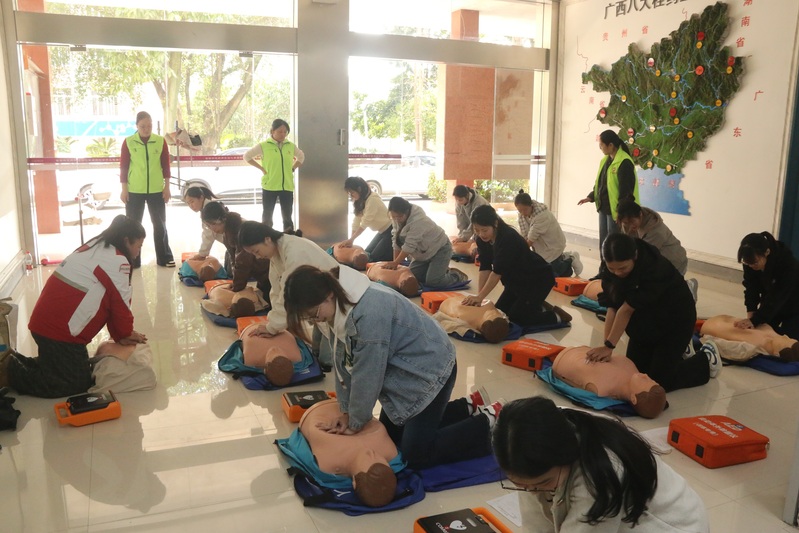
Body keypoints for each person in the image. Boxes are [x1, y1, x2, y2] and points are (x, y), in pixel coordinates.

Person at [283, 265, 500, 469]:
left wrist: (355, 421)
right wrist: (346, 410)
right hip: (405, 369)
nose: (315, 321)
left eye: (313, 314)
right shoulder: (339, 304)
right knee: (391, 438)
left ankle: (489, 420)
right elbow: (343, 361)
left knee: (415, 455)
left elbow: (368, 373)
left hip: (431, 370)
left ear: (328, 296)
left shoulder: (368, 312)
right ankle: (468, 406)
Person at [493, 396, 709, 533]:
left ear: (566, 456)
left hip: (671, 526)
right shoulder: (528, 444)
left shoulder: (600, 473)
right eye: (520, 485)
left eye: (543, 483)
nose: (531, 491)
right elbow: (535, 525)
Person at [0, 216, 148, 398]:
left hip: (46, 324)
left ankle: (11, 361)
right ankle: (8, 373)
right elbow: (120, 306)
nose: (138, 253)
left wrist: (120, 334)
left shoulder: (94, 247)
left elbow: (111, 304)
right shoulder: (118, 262)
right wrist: (124, 333)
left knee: (63, 366)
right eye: (138, 246)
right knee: (76, 383)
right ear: (126, 240)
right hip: (60, 333)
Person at [587, 233, 720, 392]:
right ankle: (677, 353)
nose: (617, 273)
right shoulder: (610, 267)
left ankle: (705, 359)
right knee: (636, 375)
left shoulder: (655, 267)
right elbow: (612, 307)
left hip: (675, 320)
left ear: (635, 256)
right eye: (612, 269)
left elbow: (626, 310)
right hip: (644, 319)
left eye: (622, 268)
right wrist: (606, 347)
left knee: (658, 382)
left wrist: (609, 346)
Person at [464, 205, 570, 328]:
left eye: (484, 230)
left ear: (495, 224)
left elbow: (496, 273)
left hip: (537, 280)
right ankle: (535, 306)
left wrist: (480, 297)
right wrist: (479, 297)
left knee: (517, 319)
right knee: (501, 313)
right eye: (477, 230)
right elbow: (485, 267)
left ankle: (555, 315)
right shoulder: (482, 240)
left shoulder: (508, 238)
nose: (481, 234)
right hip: (515, 282)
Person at [238, 220, 340, 337]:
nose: (257, 257)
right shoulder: (276, 254)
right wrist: (273, 322)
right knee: (321, 344)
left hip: (332, 303)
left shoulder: (294, 252)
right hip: (320, 306)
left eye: (256, 251)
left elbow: (287, 295)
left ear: (267, 239)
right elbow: (276, 291)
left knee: (334, 343)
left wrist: (273, 327)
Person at [299, 398, 400, 507]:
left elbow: (315, 429)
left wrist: (351, 427)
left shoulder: (329, 462)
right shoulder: (389, 451)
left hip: (320, 408)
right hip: (346, 403)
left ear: (354, 483)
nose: (371, 453)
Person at [119, 111, 175, 268]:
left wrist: (167, 187)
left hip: (156, 190)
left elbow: (166, 166)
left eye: (149, 126)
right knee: (133, 226)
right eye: (142, 126)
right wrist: (124, 189)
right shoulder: (129, 142)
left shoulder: (160, 141)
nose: (146, 129)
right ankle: (132, 259)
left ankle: (164, 257)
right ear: (136, 126)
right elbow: (124, 167)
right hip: (134, 191)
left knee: (160, 224)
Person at [615, 196, 698, 300]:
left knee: (664, 293)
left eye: (632, 221)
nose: (630, 226)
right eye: (626, 223)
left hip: (675, 261)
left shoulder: (656, 230)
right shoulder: (628, 222)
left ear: (640, 215)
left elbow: (644, 257)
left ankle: (689, 286)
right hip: (658, 260)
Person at [551, 346, 667, 418]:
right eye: (651, 379)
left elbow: (568, 377)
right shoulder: (633, 371)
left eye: (645, 382)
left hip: (563, 359)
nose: (645, 375)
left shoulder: (602, 388)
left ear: (633, 398)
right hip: (579, 350)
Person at [384, 196, 467, 289]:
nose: (396, 219)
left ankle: (456, 276)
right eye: (393, 217)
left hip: (440, 249)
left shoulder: (418, 220)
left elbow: (409, 245)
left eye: (399, 216)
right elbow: (396, 239)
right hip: (423, 254)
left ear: (406, 212)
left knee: (434, 281)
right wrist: (395, 263)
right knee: (412, 276)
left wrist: (396, 263)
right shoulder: (397, 219)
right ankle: (439, 271)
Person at [577, 129, 639, 253]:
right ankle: (604, 263)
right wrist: (591, 197)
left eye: (601, 145)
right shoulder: (605, 160)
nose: (600, 148)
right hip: (604, 207)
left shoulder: (624, 162)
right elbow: (601, 184)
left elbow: (626, 191)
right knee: (604, 242)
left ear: (610, 145)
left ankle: (613, 264)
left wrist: (620, 213)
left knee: (614, 244)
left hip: (616, 211)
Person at [243, 118, 305, 232]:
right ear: (272, 131)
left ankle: (289, 238)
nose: (283, 134)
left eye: (285, 132)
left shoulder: (290, 146)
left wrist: (292, 168)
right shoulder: (264, 145)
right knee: (267, 217)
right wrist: (261, 168)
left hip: (286, 186)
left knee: (287, 217)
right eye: (280, 131)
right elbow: (247, 156)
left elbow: (301, 156)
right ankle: (266, 238)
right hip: (269, 186)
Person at [736, 232, 799, 339]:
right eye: (747, 263)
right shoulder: (750, 260)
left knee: (790, 339)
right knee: (763, 332)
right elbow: (751, 287)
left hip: (794, 300)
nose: (751, 266)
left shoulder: (787, 264)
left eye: (755, 263)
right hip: (772, 297)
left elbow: (778, 296)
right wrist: (751, 315)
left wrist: (756, 320)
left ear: (767, 252)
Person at [201, 202, 271, 296]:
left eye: (213, 224)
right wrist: (236, 282)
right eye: (208, 226)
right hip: (262, 271)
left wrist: (237, 286)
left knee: (270, 296)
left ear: (222, 219)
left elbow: (243, 261)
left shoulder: (240, 230)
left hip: (269, 268)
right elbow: (235, 260)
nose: (212, 228)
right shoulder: (228, 230)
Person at [515, 190, 581, 277]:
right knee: (541, 270)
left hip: (553, 245)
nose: (523, 213)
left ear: (531, 205)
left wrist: (518, 254)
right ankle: (563, 257)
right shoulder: (523, 216)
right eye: (520, 210)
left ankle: (571, 259)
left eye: (525, 210)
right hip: (542, 248)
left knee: (553, 274)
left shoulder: (542, 215)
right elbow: (524, 238)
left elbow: (530, 240)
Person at [700, 314, 799, 362]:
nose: (785, 336)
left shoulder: (755, 344)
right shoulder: (772, 334)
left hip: (712, 325)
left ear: (776, 353)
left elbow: (709, 330)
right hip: (718, 322)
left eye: (786, 339)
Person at [341, 176, 393, 262]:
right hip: (381, 232)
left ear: (359, 189)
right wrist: (351, 240)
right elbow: (356, 221)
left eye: (352, 193)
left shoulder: (373, 199)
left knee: (373, 258)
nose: (351, 196)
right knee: (367, 253)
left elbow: (365, 223)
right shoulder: (360, 201)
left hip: (390, 231)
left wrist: (352, 239)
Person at [437, 297, 510, 343]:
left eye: (494, 314)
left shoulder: (488, 307)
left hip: (450, 302)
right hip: (453, 303)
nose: (494, 312)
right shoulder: (489, 307)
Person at [182, 184, 224, 262]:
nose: (191, 206)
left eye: (192, 201)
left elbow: (209, 234)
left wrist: (202, 254)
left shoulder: (209, 210)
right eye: (188, 203)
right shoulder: (207, 207)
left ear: (201, 198)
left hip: (239, 241)